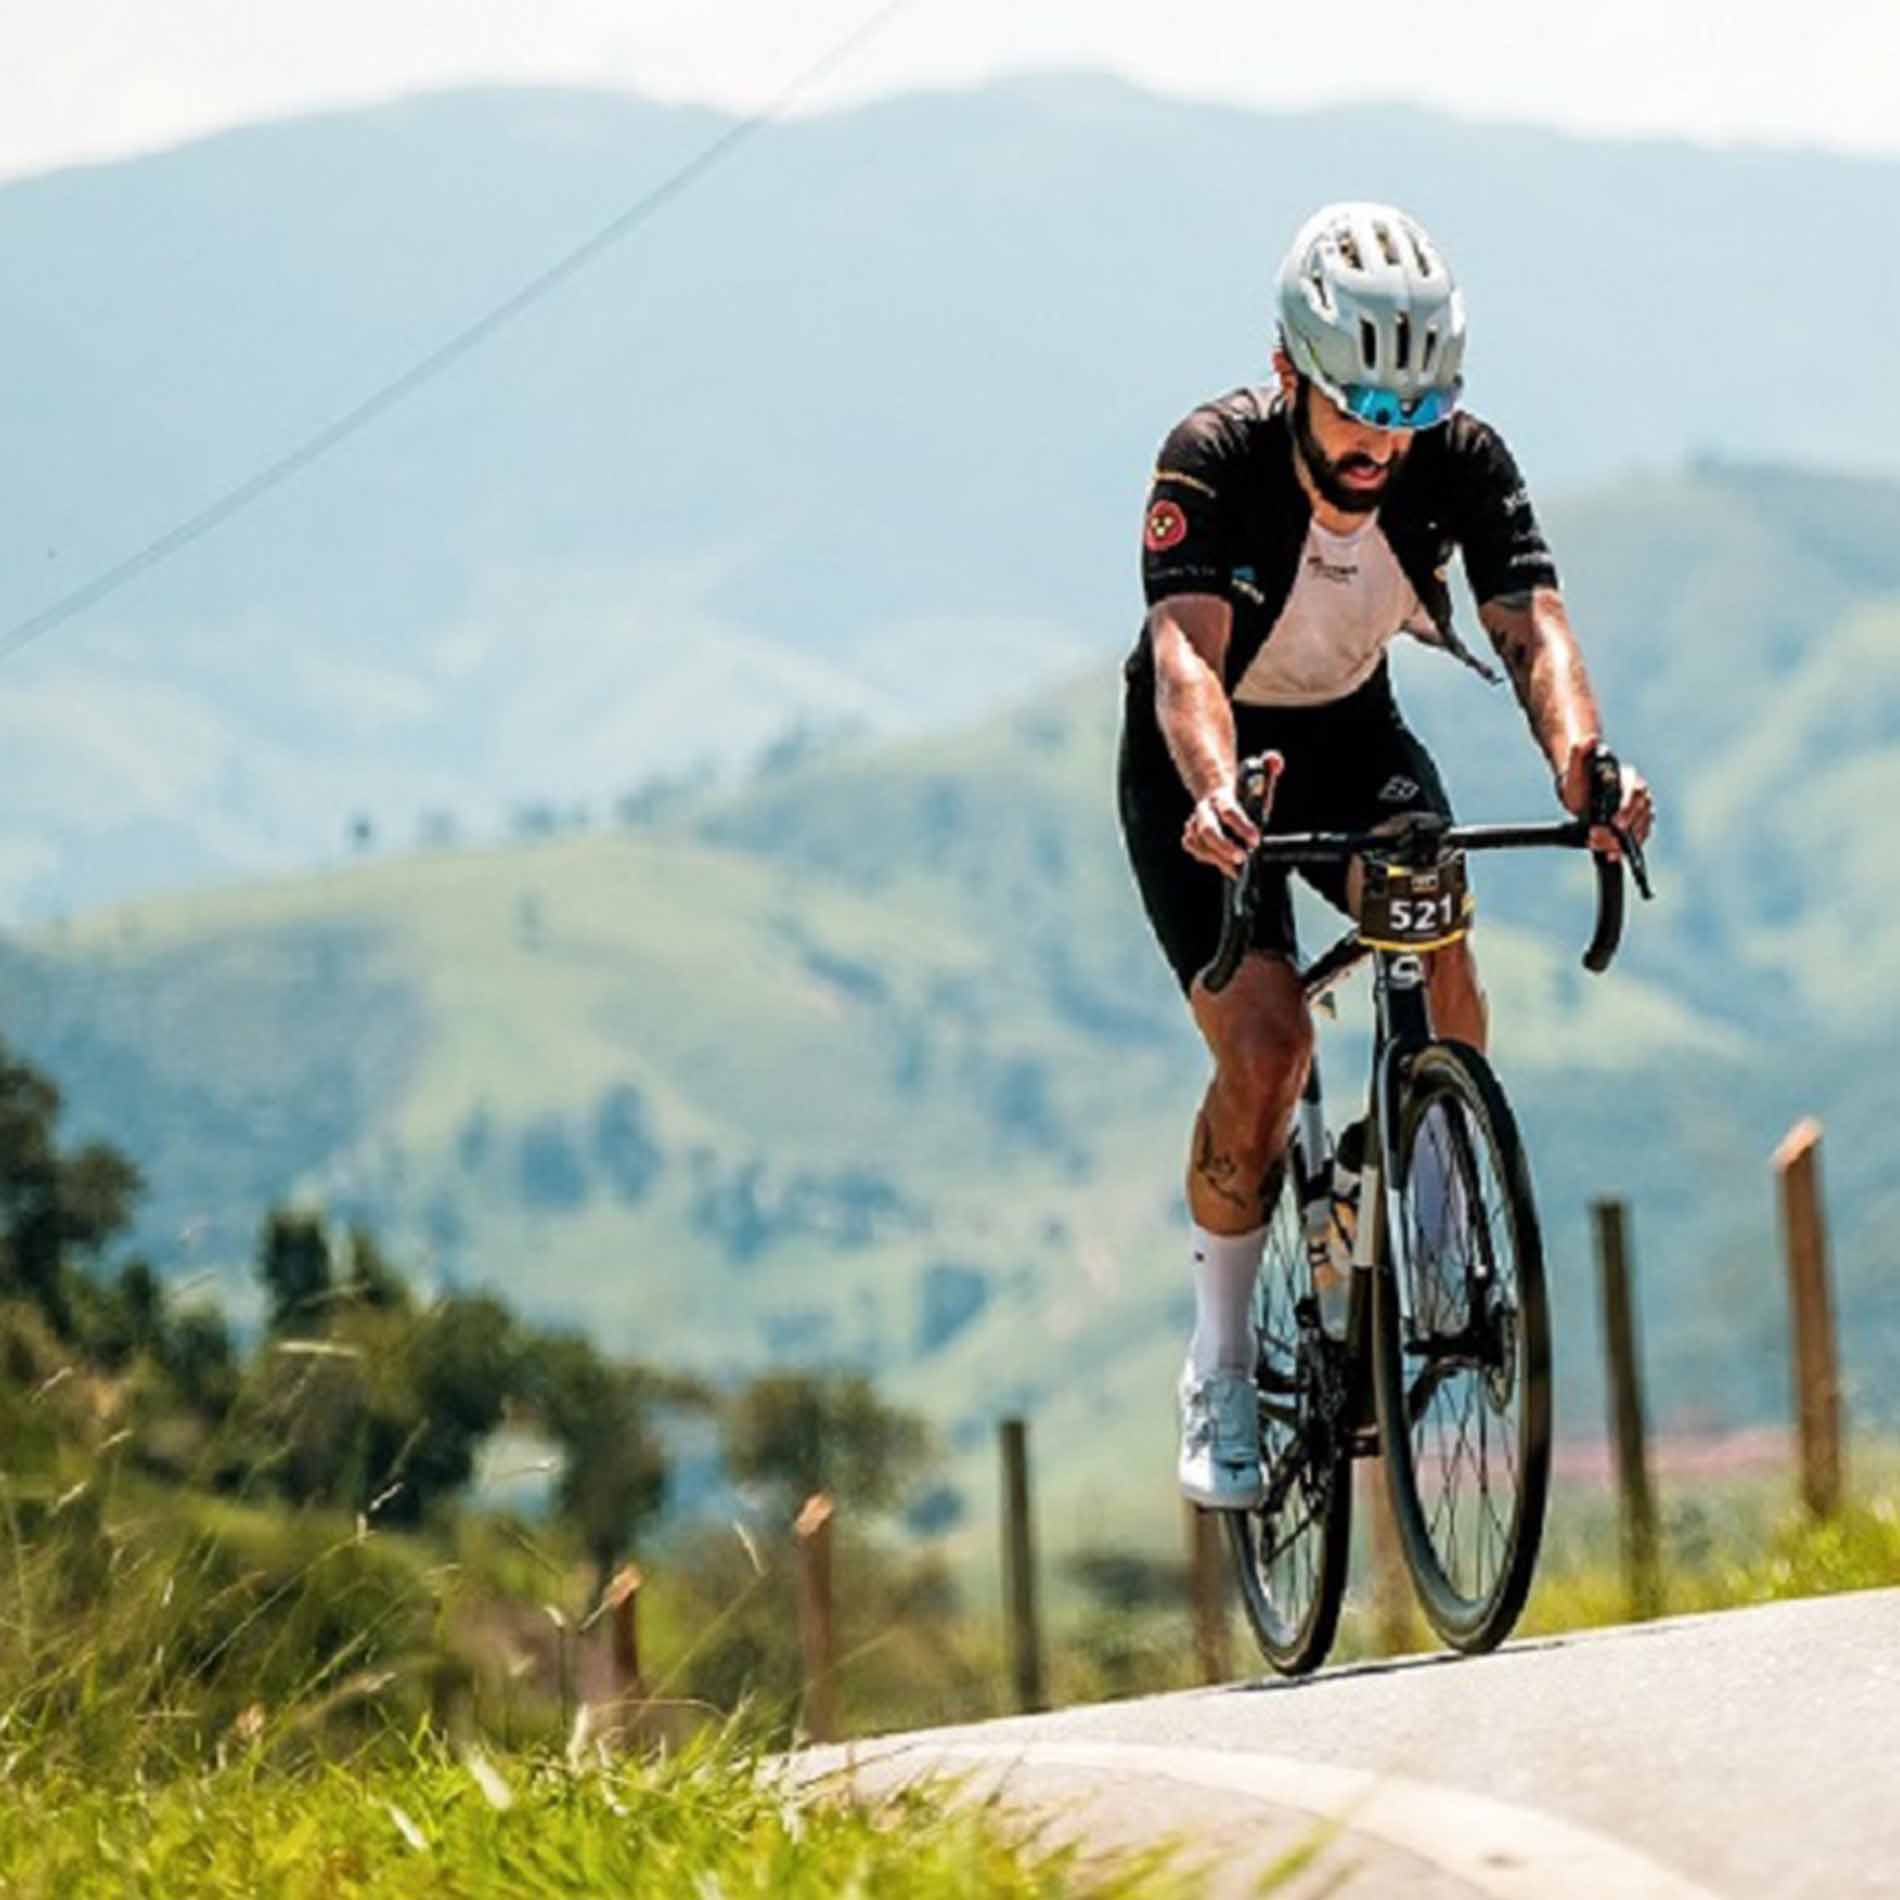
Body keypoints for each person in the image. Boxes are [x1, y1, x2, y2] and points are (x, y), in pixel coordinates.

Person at [1117, 201, 1655, 1510]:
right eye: (1358, 405)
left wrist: (1585, 769)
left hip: (1354, 736)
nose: (1382, 439)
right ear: (1293, 370)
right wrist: (1209, 792)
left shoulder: (1457, 461)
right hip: (1207, 760)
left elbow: (1535, 630)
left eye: (1411, 409)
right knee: (1269, 1051)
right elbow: (1189, 655)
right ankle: (1223, 1360)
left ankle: (1432, 1206)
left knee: (1435, 917)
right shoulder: (1215, 454)